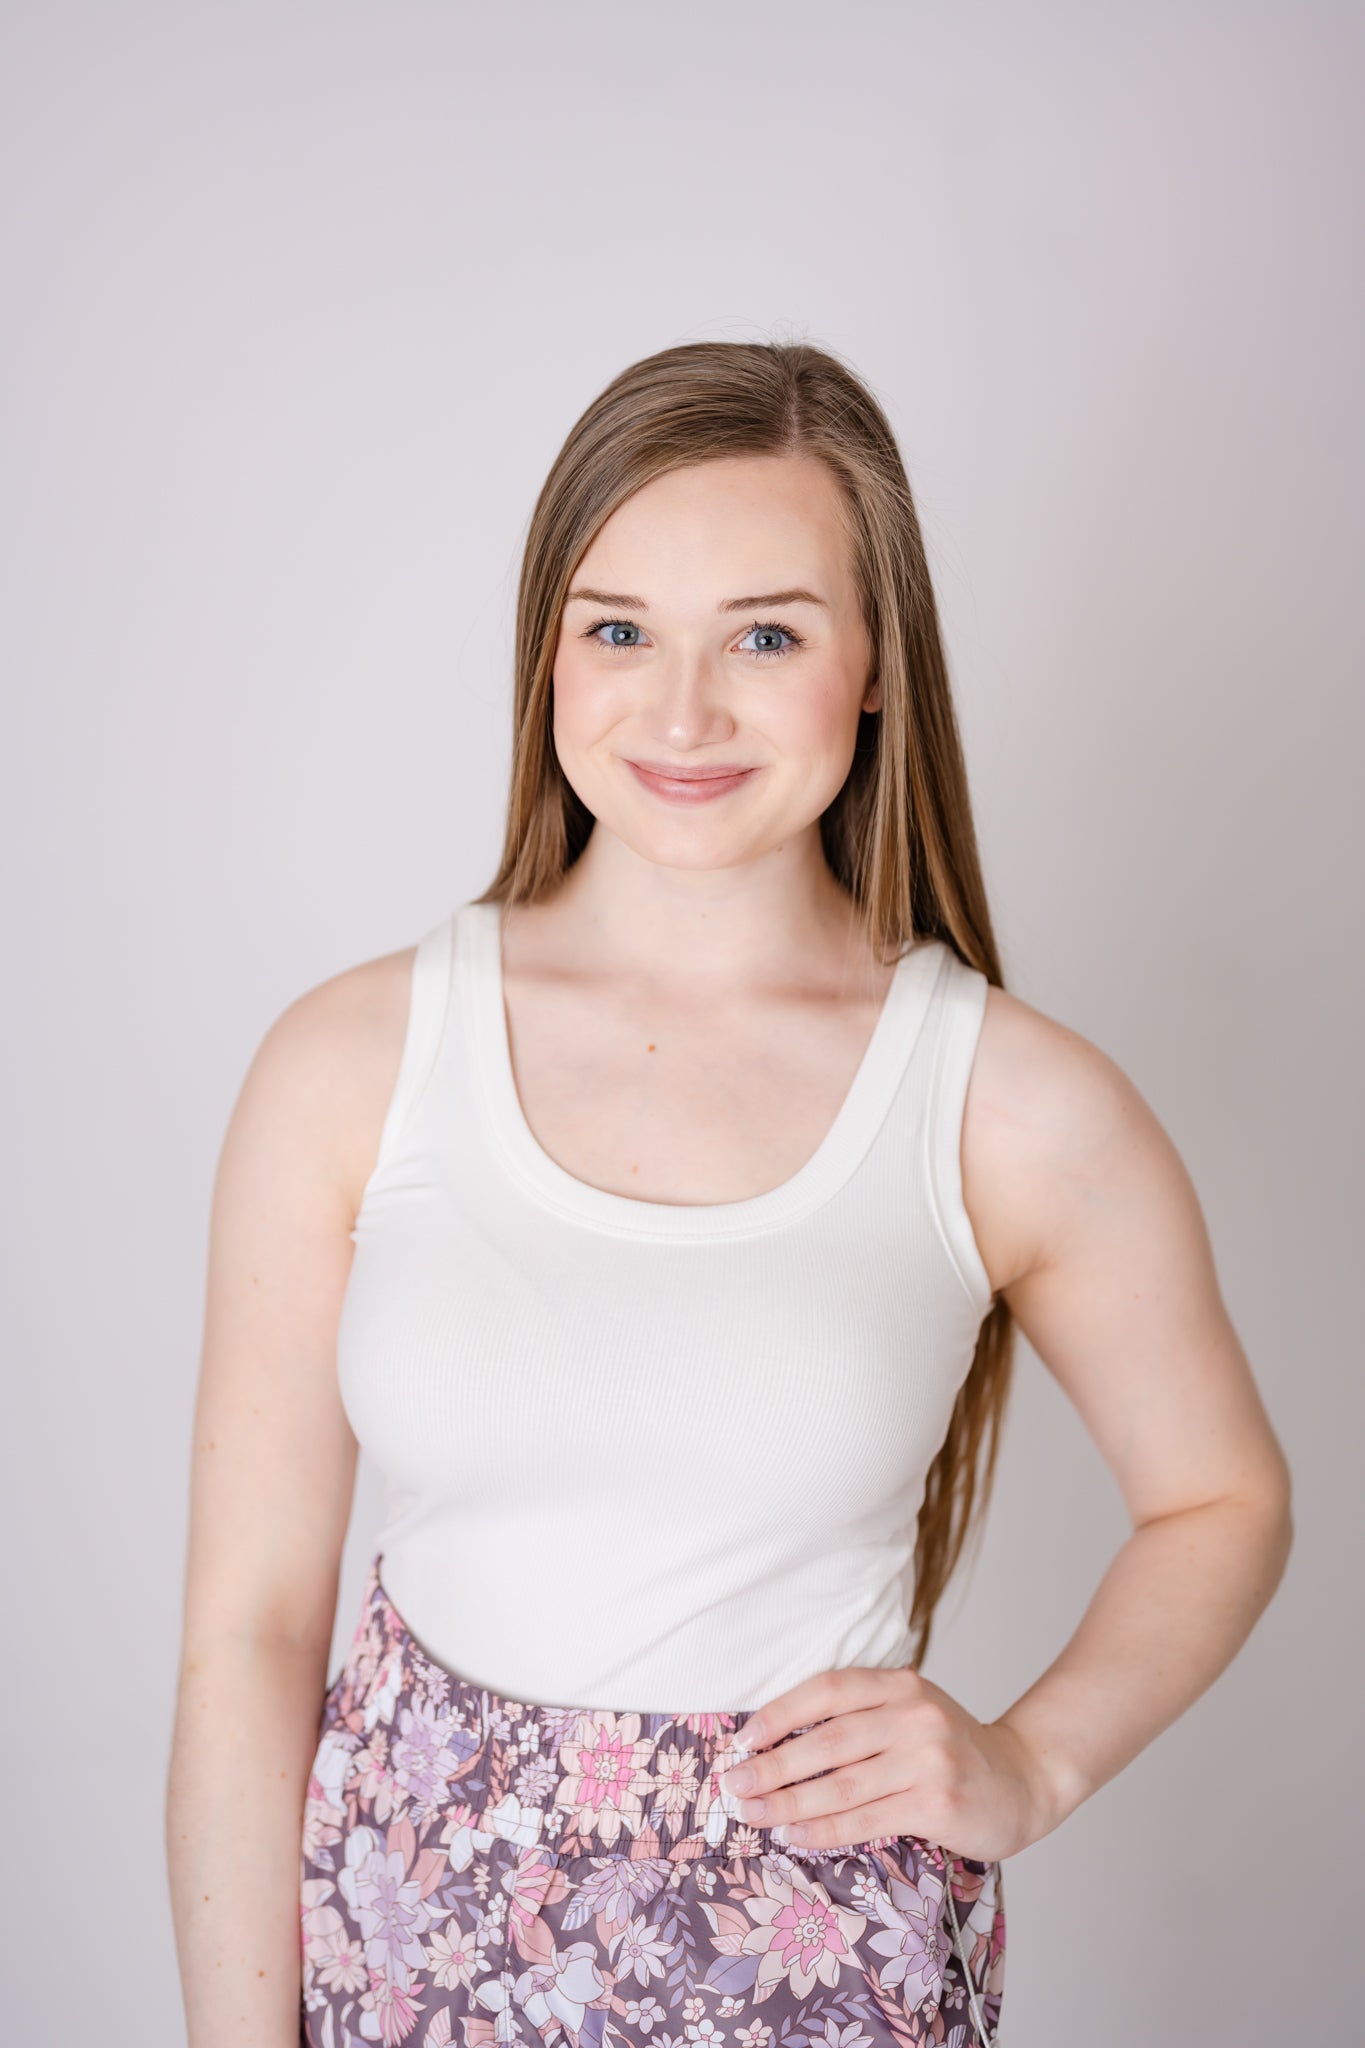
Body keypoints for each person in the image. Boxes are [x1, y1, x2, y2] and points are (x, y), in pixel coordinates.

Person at [165, 339, 1294, 2048]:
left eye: (764, 636)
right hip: (403, 1962)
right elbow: (249, 1632)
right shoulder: (351, 1061)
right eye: (618, 630)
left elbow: (1220, 1498)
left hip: (814, 1974)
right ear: (546, 654)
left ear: (875, 666)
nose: (682, 713)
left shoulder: (1005, 1102)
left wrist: (1033, 1762)